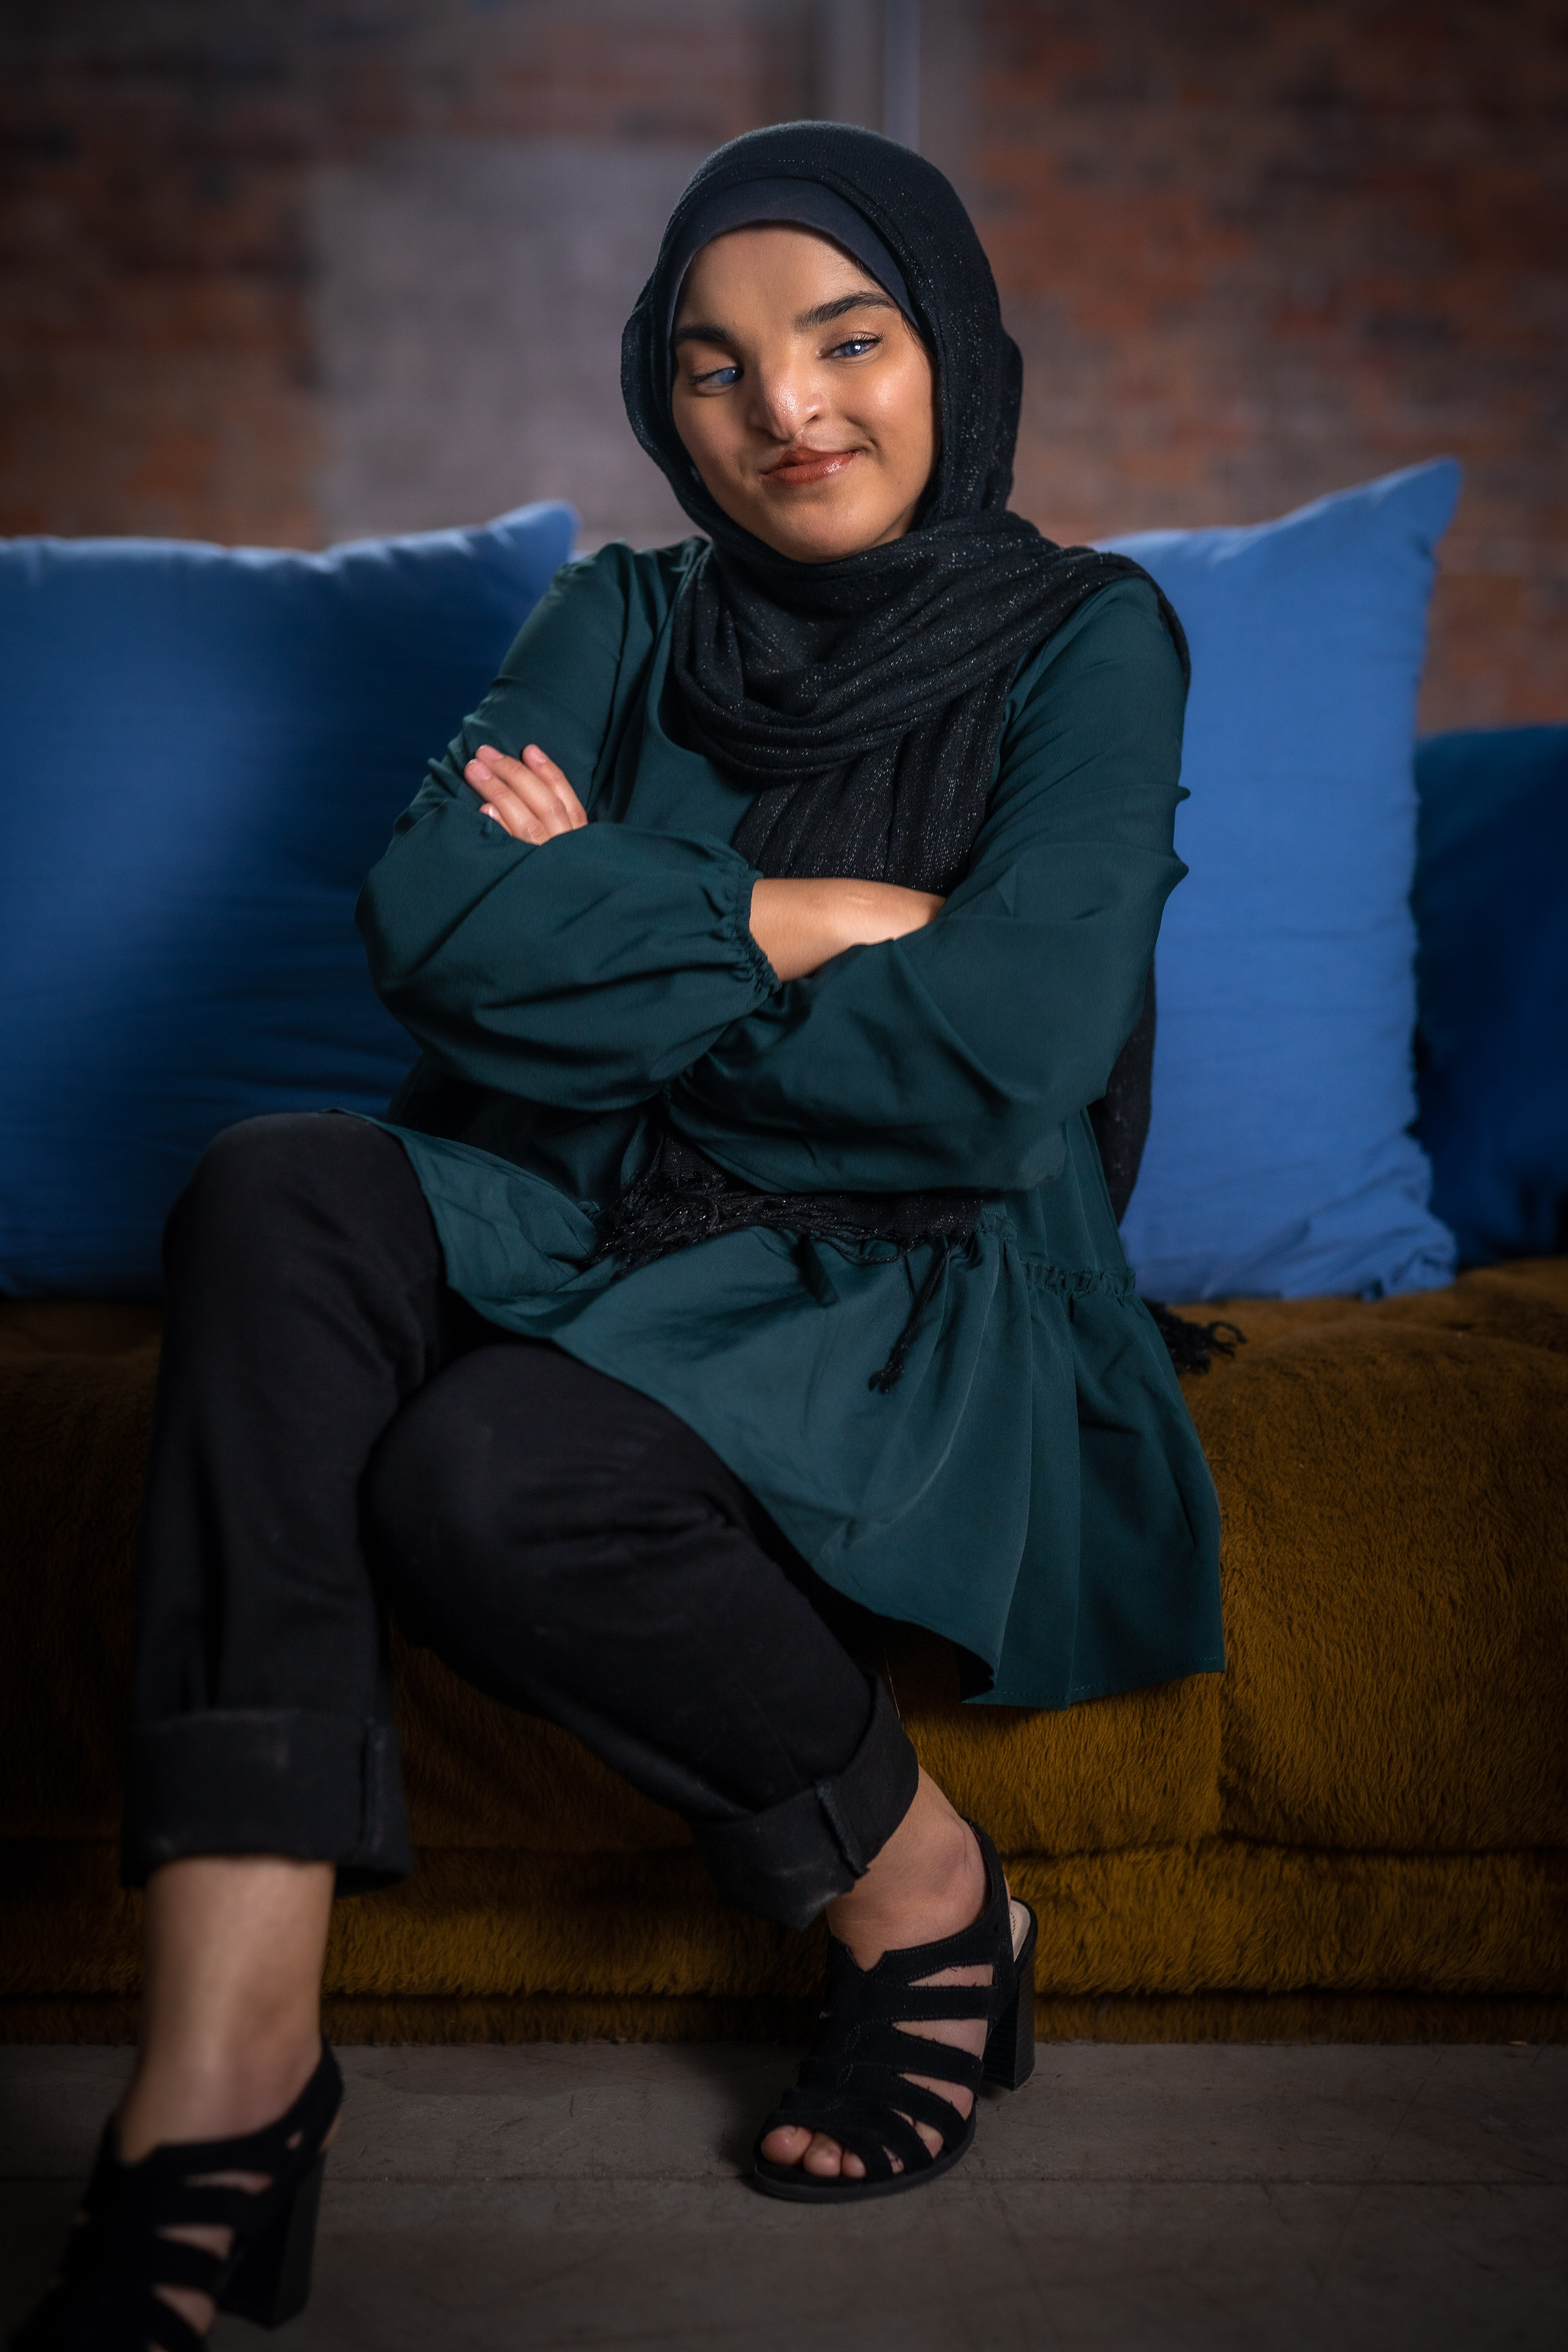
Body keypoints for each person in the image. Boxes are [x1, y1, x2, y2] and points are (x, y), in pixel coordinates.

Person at [14, 121, 1222, 2350]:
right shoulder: (619, 616)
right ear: (660, 400)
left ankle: (929, 1901)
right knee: (274, 1183)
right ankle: (230, 2073)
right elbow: (424, 928)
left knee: (485, 1475)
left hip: (908, 1275)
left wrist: (606, 966)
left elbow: (1004, 1058)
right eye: (712, 367)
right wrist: (800, 916)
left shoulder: (1086, 641)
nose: (787, 411)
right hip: (578, 1224)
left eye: (849, 340)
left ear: (950, 347)